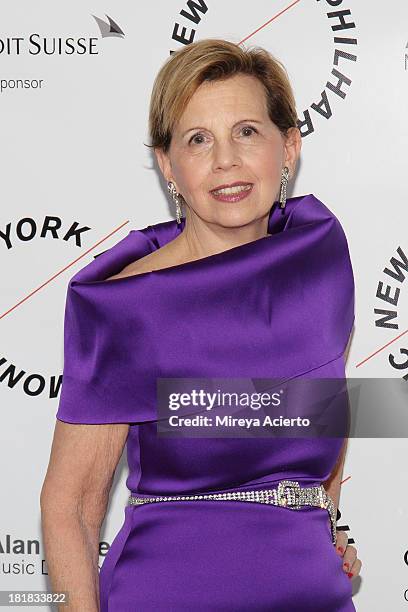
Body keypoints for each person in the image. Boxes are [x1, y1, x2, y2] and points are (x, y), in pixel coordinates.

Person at [40, 38, 362, 611]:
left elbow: (322, 407)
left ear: (288, 146)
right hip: (170, 593)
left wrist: (320, 518)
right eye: (197, 140)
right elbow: (71, 508)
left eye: (247, 131)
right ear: (168, 165)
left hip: (313, 595)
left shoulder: (322, 258)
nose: (226, 161)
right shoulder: (127, 302)